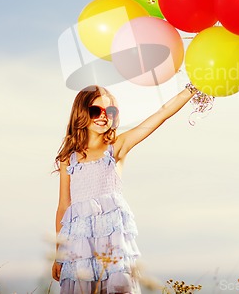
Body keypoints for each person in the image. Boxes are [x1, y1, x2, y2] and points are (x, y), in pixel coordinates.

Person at [52, 84, 202, 294]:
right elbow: (63, 208)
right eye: (96, 111)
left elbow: (161, 114)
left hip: (112, 244)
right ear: (81, 112)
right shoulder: (69, 158)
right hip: (79, 247)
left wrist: (193, 89)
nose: (103, 117)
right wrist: (59, 255)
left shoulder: (117, 146)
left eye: (110, 112)